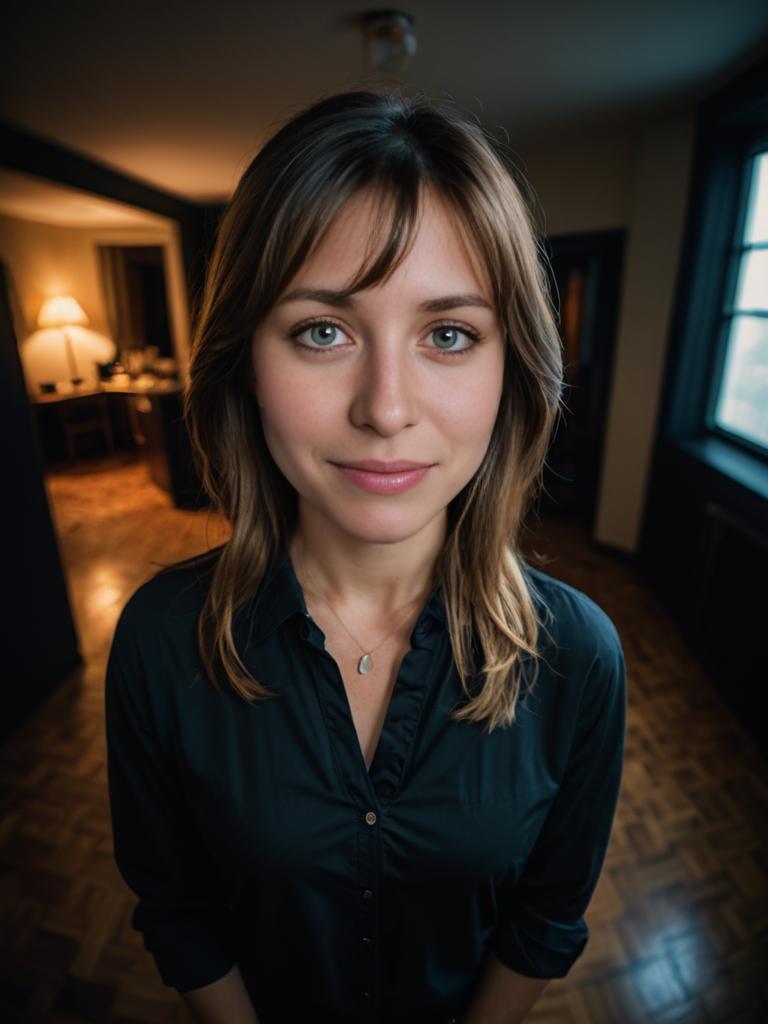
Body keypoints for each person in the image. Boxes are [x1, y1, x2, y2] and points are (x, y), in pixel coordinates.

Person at [104, 88, 627, 1024]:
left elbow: (546, 918)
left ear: (512, 372)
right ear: (244, 362)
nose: (386, 409)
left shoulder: (580, 656)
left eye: (450, 334)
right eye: (323, 331)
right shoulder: (157, 640)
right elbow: (177, 910)